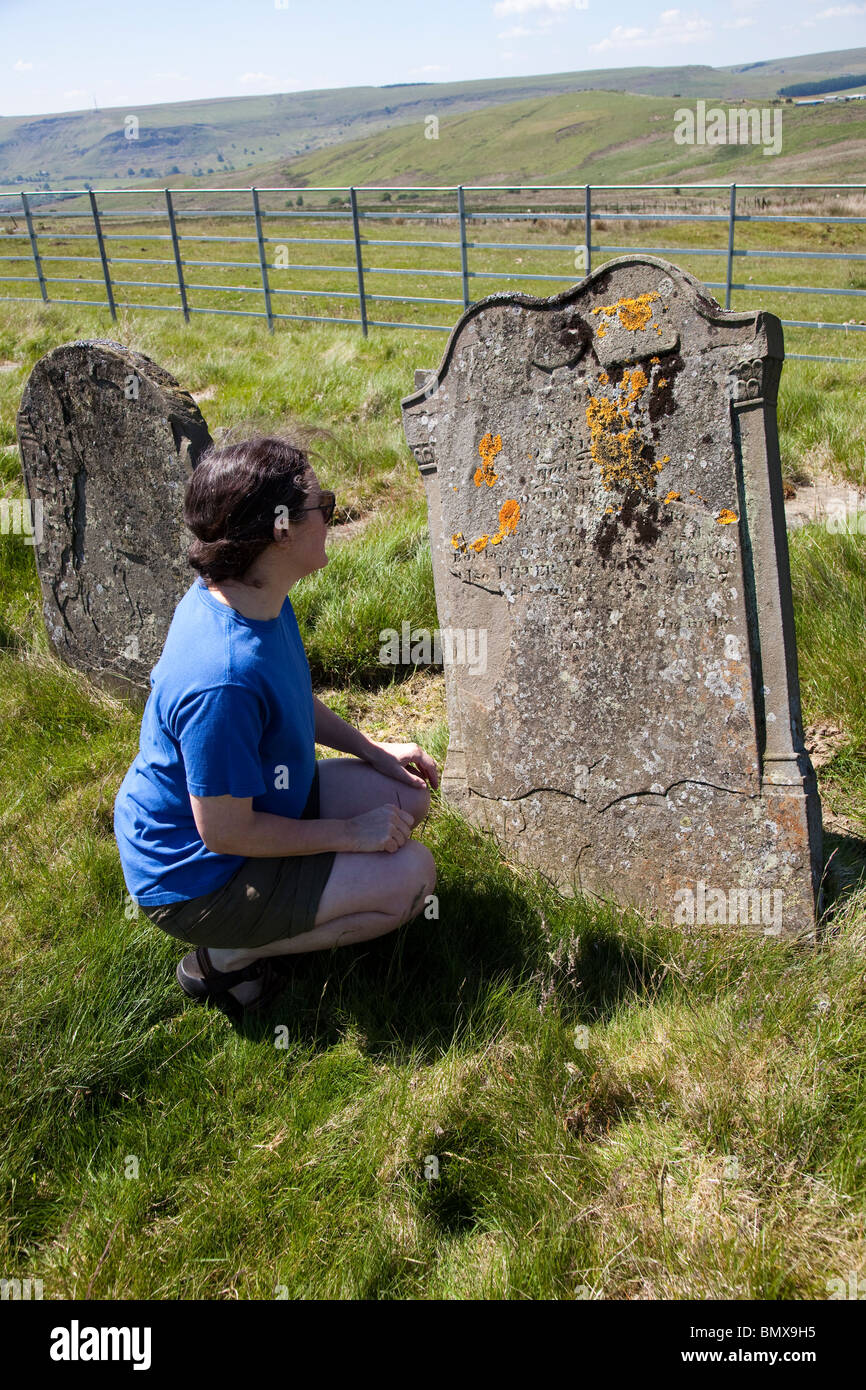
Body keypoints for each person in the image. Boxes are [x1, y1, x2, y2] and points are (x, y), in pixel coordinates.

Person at [113, 432, 438, 1020]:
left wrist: (374, 750)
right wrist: (352, 833)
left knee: (405, 795)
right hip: (197, 875)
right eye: (325, 506)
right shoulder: (224, 677)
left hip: (262, 797)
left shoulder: (255, 592)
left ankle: (294, 896)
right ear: (281, 530)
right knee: (413, 879)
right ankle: (224, 956)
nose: (332, 517)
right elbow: (226, 834)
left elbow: (291, 700)